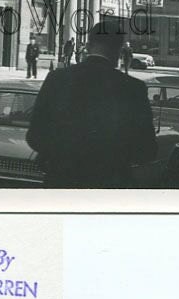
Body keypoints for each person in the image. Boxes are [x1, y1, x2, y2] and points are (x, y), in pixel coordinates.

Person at [26, 17, 157, 188]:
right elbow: (146, 151)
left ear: (88, 46)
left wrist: (59, 154)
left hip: (62, 182)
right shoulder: (133, 88)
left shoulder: (57, 79)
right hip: (109, 185)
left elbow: (35, 135)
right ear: (119, 51)